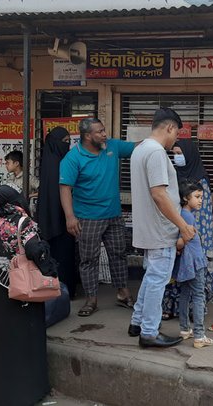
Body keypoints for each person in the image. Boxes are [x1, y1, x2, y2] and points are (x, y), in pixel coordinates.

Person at [0, 184, 58, 406]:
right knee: (25, 342)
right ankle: (26, 394)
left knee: (0, 344)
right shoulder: (23, 222)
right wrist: (50, 268)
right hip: (22, 291)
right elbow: (35, 250)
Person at [128, 107, 195, 348]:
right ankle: (149, 332)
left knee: (151, 276)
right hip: (161, 229)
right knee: (158, 279)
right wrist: (183, 226)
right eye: (176, 133)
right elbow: (159, 195)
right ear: (169, 127)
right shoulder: (156, 152)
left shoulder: (140, 149)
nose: (175, 139)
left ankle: (137, 322)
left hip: (149, 227)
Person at [59, 118, 135, 317]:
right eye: (99, 132)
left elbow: (137, 147)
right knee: (89, 259)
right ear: (87, 136)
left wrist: (159, 139)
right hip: (88, 218)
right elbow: (65, 189)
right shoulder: (73, 158)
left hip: (114, 215)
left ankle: (123, 292)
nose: (104, 134)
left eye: (104, 130)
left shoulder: (112, 146)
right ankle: (91, 299)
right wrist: (70, 217)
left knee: (118, 254)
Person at [162, 139, 213, 319]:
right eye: (174, 154)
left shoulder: (201, 183)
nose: (177, 157)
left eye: (180, 154)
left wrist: (189, 238)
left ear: (190, 155)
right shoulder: (173, 178)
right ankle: (170, 307)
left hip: (193, 239)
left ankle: (194, 311)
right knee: (174, 272)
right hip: (176, 235)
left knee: (193, 278)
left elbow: (204, 218)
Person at [36, 126, 78, 298]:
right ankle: (64, 289)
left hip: (52, 217)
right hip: (60, 217)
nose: (67, 145)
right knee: (63, 253)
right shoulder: (58, 163)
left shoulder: (49, 162)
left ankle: (56, 288)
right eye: (65, 141)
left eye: (69, 141)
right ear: (55, 143)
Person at [175, 180, 213, 348]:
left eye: (201, 197)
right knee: (199, 295)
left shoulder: (182, 214)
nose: (200, 201)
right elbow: (181, 242)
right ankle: (199, 335)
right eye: (197, 197)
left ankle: (185, 329)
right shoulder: (188, 216)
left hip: (187, 262)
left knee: (185, 293)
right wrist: (188, 237)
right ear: (186, 198)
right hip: (195, 261)